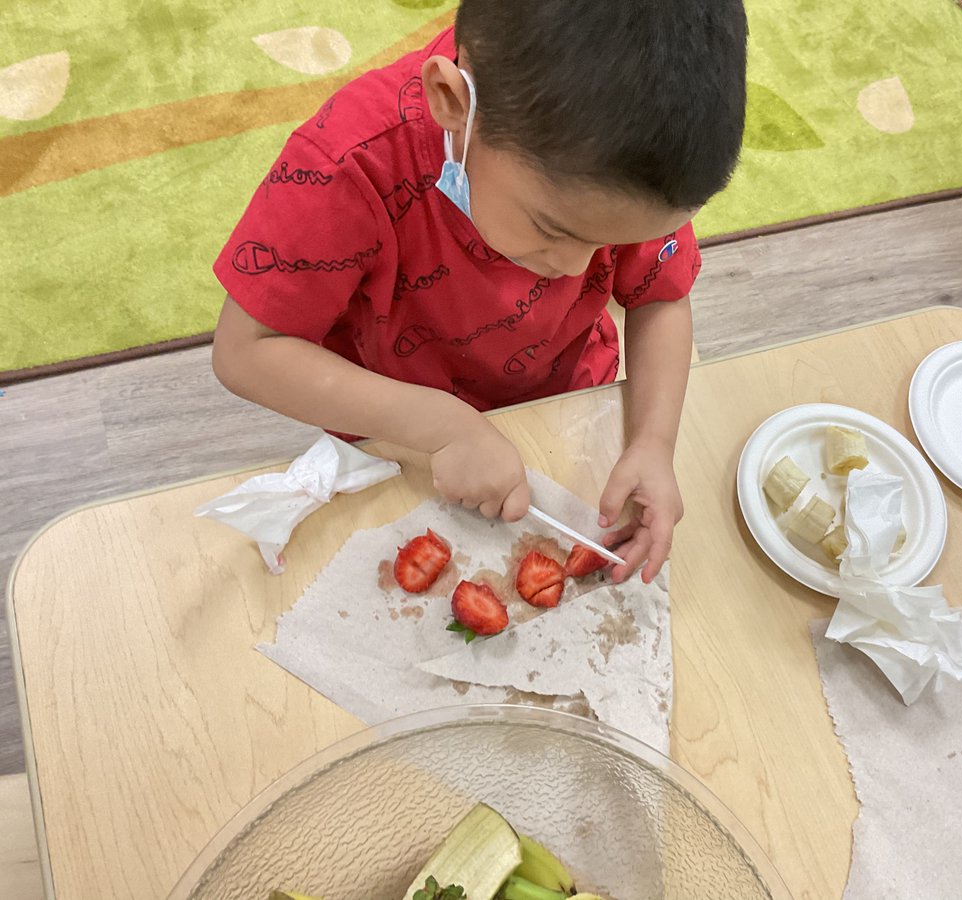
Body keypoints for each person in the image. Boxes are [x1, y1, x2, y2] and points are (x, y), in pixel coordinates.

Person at [210, 1, 747, 584]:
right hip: (396, 434)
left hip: (559, 405)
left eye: (613, 243)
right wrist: (442, 427)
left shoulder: (630, 160)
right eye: (552, 231)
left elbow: (660, 294)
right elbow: (246, 351)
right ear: (452, 104)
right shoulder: (348, 161)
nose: (575, 269)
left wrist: (652, 443)